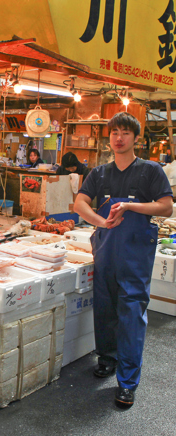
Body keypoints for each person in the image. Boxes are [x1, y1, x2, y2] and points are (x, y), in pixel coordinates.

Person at [73, 112, 173, 407]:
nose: (118, 138)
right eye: (114, 132)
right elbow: (80, 202)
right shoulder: (99, 173)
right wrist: (99, 221)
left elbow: (166, 207)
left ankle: (127, 382)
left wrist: (129, 205)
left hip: (135, 253)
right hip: (105, 249)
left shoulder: (151, 170)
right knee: (104, 308)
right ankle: (107, 358)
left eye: (125, 133)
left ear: (136, 138)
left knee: (130, 315)